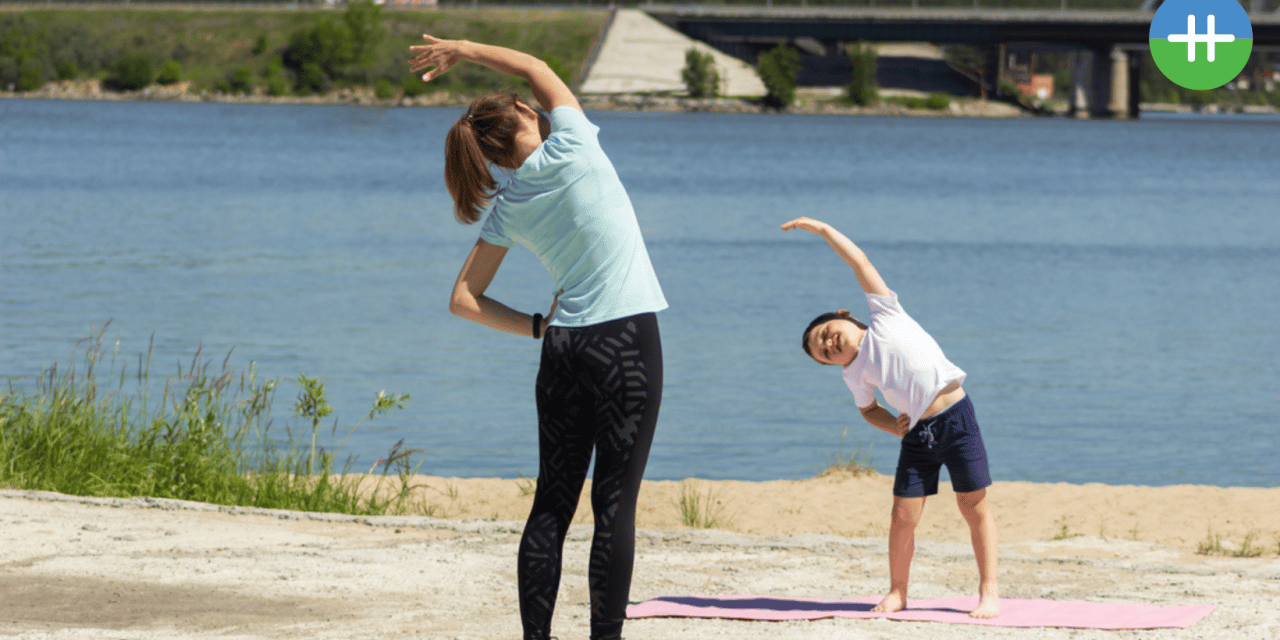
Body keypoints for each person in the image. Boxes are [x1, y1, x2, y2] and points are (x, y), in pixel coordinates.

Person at [409, 36, 667, 640]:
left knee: (551, 503)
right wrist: (460, 49)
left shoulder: (510, 204)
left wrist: (534, 326)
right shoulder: (576, 146)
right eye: (529, 104)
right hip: (624, 340)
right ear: (528, 115)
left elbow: (463, 300)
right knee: (613, 505)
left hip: (563, 349)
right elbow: (535, 65)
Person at [781, 216, 1000, 619]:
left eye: (828, 334)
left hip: (957, 417)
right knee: (902, 516)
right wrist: (892, 425)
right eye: (825, 353)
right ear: (835, 365)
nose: (831, 344)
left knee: (974, 506)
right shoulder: (854, 373)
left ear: (843, 314)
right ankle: (898, 592)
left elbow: (859, 262)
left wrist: (825, 231)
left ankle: (988, 591)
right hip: (917, 434)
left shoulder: (885, 314)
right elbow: (868, 410)